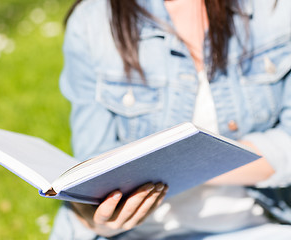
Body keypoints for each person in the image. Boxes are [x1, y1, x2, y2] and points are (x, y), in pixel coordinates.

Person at [50, 0, 291, 239]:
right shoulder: (92, 22)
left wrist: (184, 165)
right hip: (143, 234)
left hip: (260, 225)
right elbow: (93, 163)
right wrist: (98, 218)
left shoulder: (274, 9)